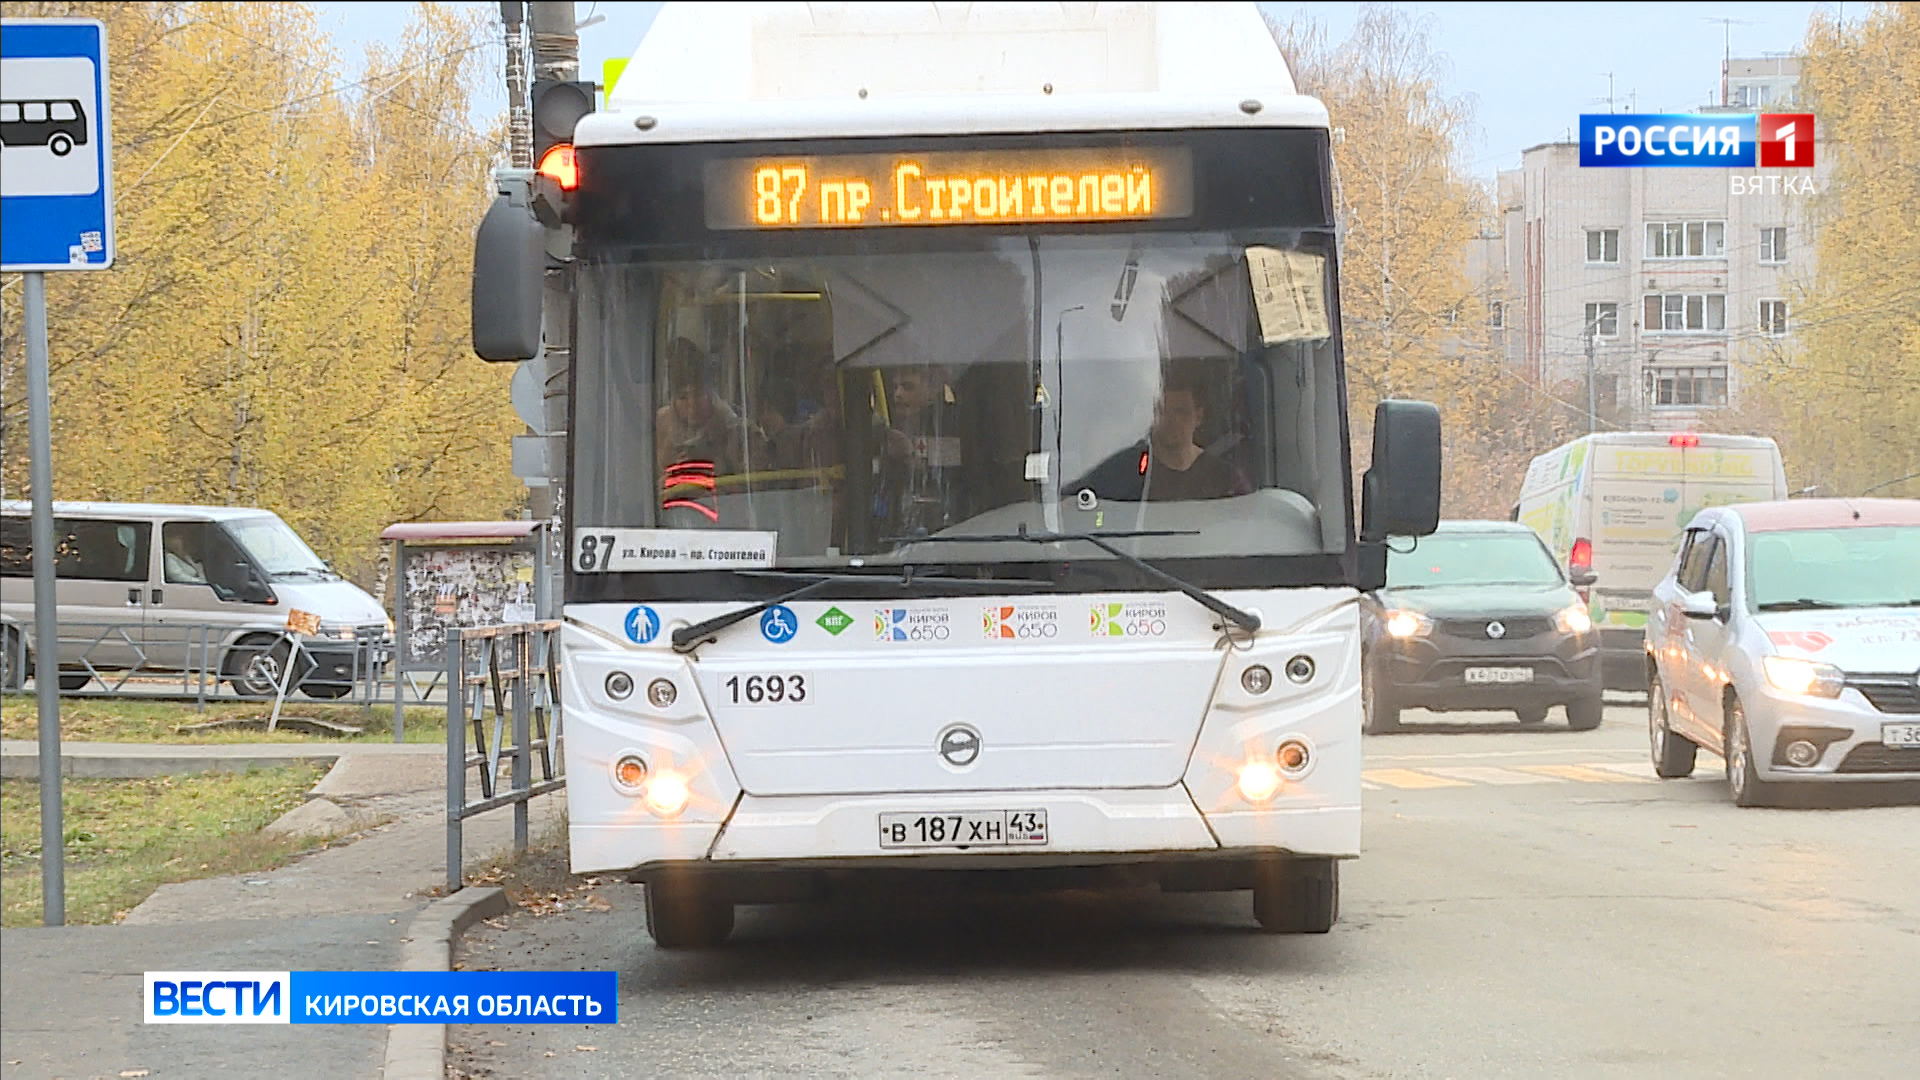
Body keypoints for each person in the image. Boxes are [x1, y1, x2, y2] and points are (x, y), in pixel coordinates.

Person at [654, 338, 768, 479]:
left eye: (699, 394)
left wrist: (716, 460)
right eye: (683, 397)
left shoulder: (738, 432)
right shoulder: (657, 429)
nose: (692, 404)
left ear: (711, 391)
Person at [1139, 368, 1250, 501]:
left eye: (1181, 412)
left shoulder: (1226, 479)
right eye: (1164, 411)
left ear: (1199, 416)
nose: (1172, 421)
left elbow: (1247, 517)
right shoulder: (1128, 473)